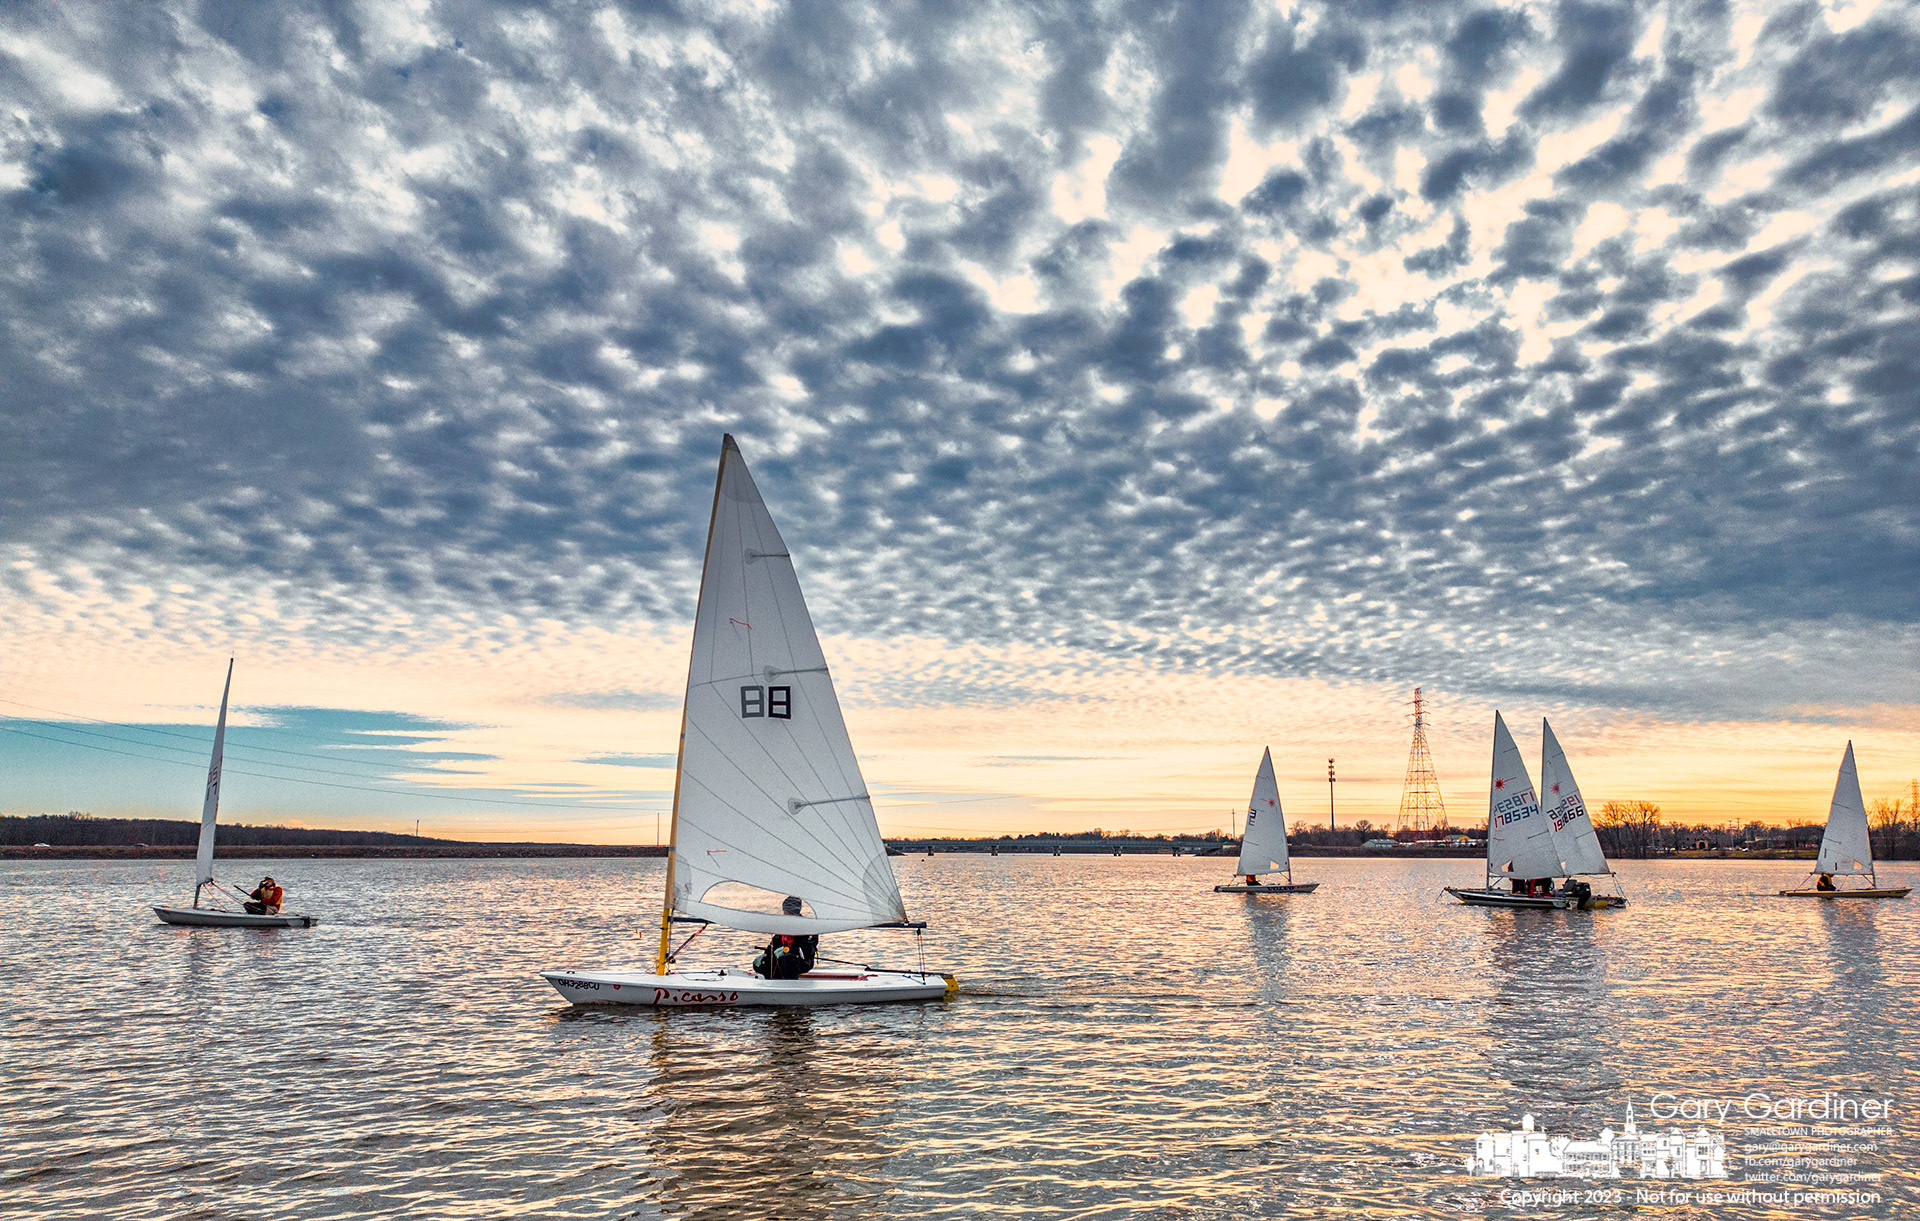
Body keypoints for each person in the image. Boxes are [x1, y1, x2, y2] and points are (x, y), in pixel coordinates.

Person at [753, 896, 818, 980]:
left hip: (802, 961)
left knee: (786, 961)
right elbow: (775, 943)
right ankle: (769, 982)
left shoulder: (807, 927)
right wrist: (766, 954)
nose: (784, 912)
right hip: (782, 958)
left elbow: (808, 951)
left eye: (786, 910)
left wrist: (788, 950)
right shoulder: (784, 926)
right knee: (764, 963)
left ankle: (789, 984)